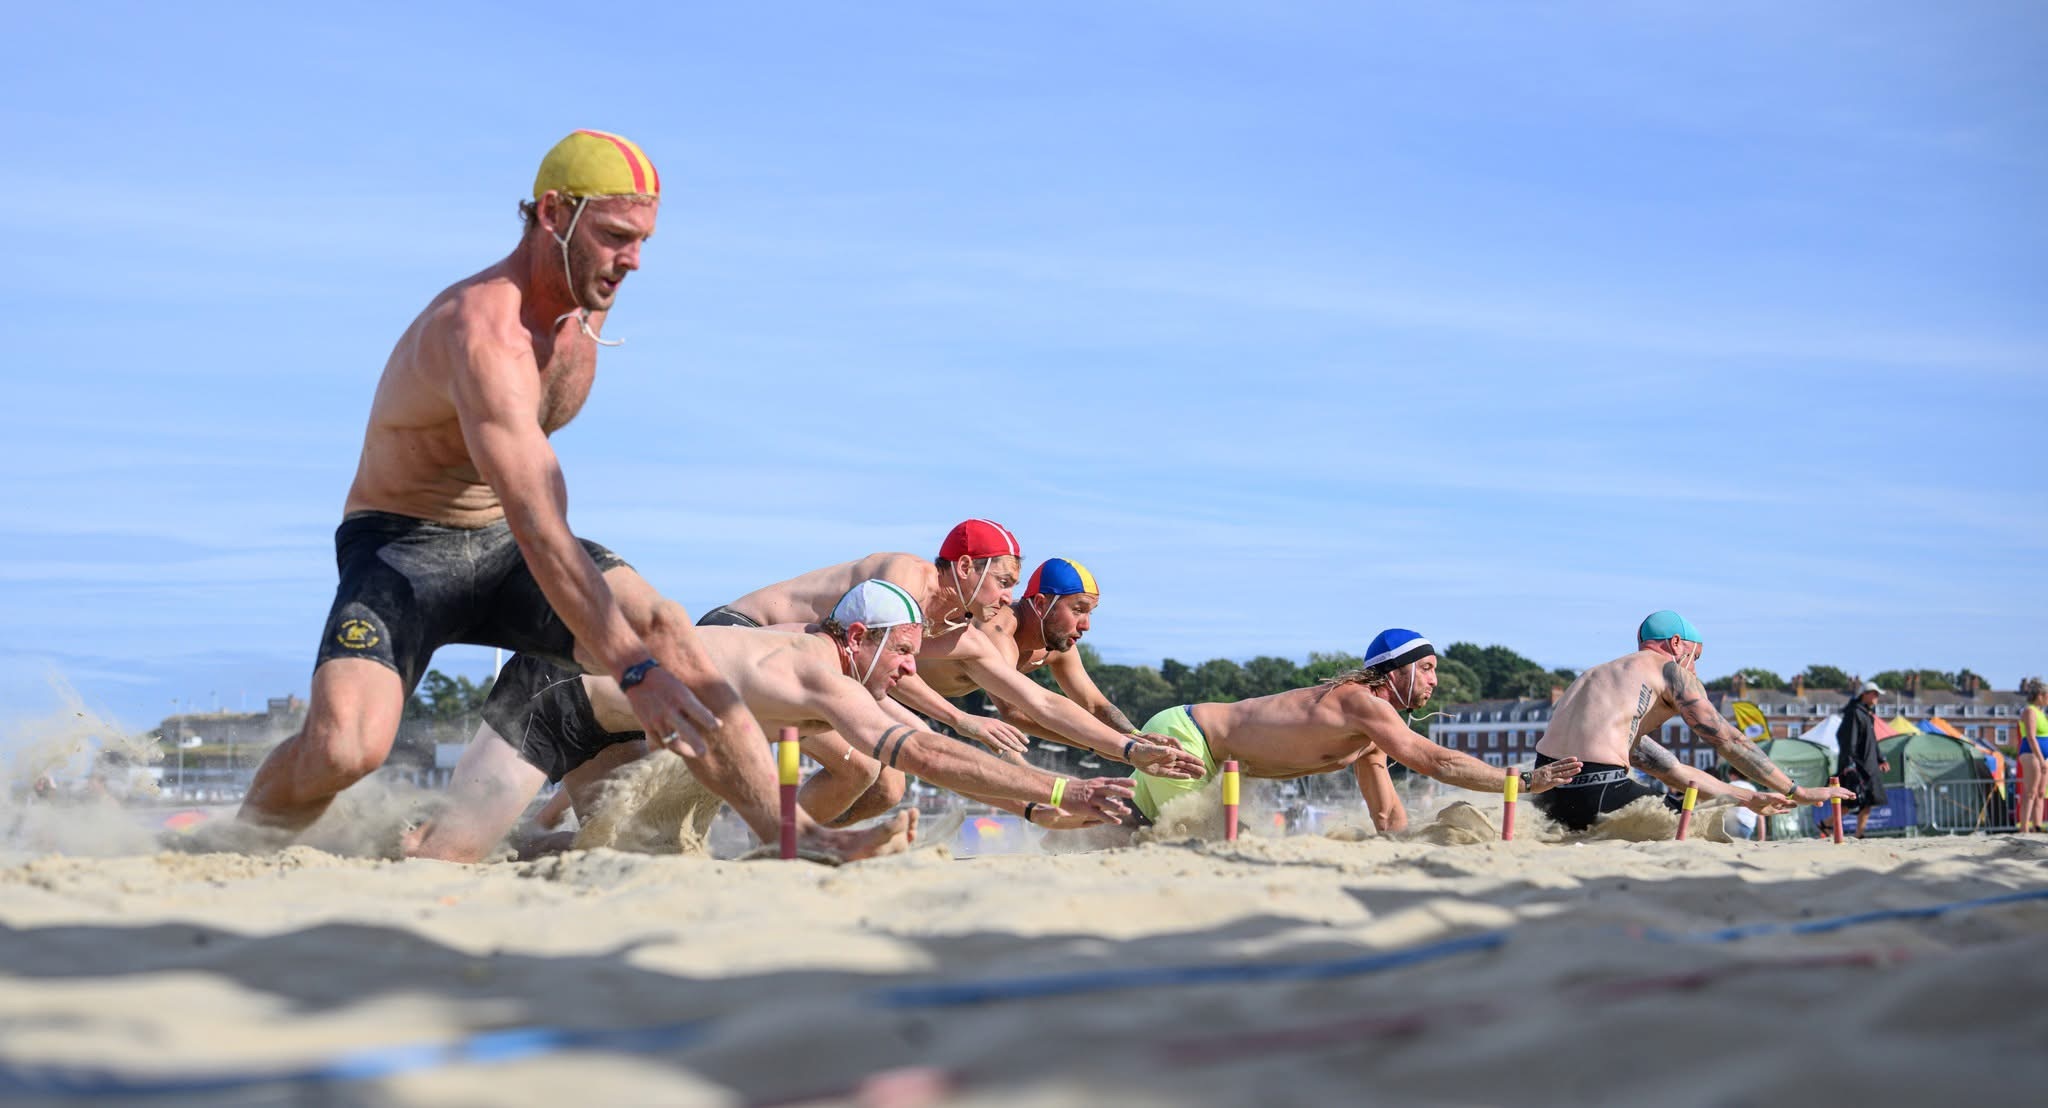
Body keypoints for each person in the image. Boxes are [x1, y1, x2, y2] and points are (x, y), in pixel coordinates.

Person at [237, 130, 909, 861]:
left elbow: (530, 526)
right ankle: (238, 844)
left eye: (644, 239)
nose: (634, 261)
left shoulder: (585, 311)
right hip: (404, 547)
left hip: (500, 541)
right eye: (617, 236)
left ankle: (794, 838)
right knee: (344, 749)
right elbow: (542, 530)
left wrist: (648, 655)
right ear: (553, 214)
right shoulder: (482, 333)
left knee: (667, 625)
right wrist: (635, 673)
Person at [407, 582, 1135, 862]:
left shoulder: (847, 675)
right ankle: (409, 834)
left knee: (626, 849)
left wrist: (1043, 799)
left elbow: (933, 751)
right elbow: (929, 759)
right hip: (555, 690)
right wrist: (1068, 792)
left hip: (614, 722)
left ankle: (497, 842)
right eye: (905, 656)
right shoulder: (821, 670)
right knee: (442, 857)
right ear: (859, 638)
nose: (911, 674)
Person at [693, 522, 1204, 784]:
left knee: (881, 783)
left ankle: (788, 854)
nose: (1008, 596)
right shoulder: (904, 578)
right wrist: (961, 721)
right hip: (741, 636)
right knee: (886, 764)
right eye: (1003, 582)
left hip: (814, 668)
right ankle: (791, 847)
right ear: (964, 569)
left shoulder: (962, 631)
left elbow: (1047, 703)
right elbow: (879, 662)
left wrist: (1131, 746)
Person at [1124, 629, 1584, 831]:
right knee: (1202, 840)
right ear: (1394, 672)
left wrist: (1405, 848)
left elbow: (1386, 815)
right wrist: (1523, 781)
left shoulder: (1368, 737)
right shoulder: (1358, 701)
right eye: (1425, 668)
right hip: (1185, 733)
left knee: (1126, 826)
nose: (1434, 680)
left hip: (1199, 746)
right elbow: (1435, 760)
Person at [1529, 611, 1851, 832]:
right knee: (1701, 829)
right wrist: (1797, 790)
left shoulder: (1599, 680)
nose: (1694, 669)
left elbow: (1671, 769)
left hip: (1546, 793)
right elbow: (1728, 740)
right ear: (1676, 644)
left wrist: (1750, 798)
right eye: (1695, 658)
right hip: (1602, 790)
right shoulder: (1669, 671)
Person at [938, 557, 1157, 748]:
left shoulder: (1056, 646)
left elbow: (1095, 705)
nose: (1086, 625)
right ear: (1041, 604)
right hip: (907, 692)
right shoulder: (998, 629)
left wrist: (1137, 737)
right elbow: (1014, 712)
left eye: (1090, 613)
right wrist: (1104, 746)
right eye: (1078, 610)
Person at [1837, 681, 1891, 838]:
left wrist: (1881, 759)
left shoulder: (1867, 714)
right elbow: (1849, 740)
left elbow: (1872, 741)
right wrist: (1849, 764)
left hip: (1870, 764)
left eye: (1877, 694)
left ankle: (1859, 834)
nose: (1877, 696)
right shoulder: (1854, 712)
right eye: (1874, 693)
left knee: (1869, 801)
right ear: (1864, 694)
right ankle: (1826, 824)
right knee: (1850, 802)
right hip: (1858, 765)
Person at [2019, 677, 2048, 833]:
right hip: (2031, 753)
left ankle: (2037, 825)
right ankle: (2024, 828)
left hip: (2043, 755)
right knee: (2030, 791)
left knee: (2041, 792)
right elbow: (2031, 736)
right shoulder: (2030, 710)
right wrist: (2041, 759)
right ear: (2041, 695)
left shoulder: (2042, 713)